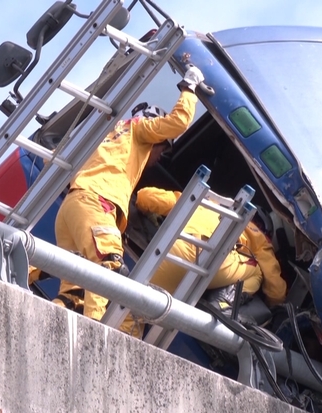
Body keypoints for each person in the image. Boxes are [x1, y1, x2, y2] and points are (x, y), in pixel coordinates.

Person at [52, 65, 204, 319]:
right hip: (95, 204)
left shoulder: (107, 135)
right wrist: (190, 87)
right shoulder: (139, 129)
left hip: (72, 206)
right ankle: (94, 343)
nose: (157, 158)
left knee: (73, 296)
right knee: (109, 269)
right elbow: (178, 122)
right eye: (162, 151)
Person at [135, 187, 287, 312]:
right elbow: (276, 290)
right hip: (209, 263)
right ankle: (221, 305)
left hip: (167, 253)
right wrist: (275, 305)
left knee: (131, 306)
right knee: (258, 271)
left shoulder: (205, 201)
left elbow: (145, 197)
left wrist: (149, 213)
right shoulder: (259, 238)